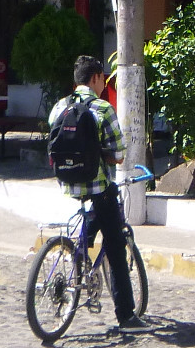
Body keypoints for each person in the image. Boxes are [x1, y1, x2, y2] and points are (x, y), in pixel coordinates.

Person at [46, 55, 150, 333]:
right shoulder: (103, 108)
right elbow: (118, 154)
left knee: (91, 219)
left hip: (69, 184)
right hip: (98, 186)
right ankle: (126, 316)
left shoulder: (59, 107)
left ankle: (76, 256)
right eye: (103, 78)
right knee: (116, 247)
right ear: (95, 78)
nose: (104, 83)